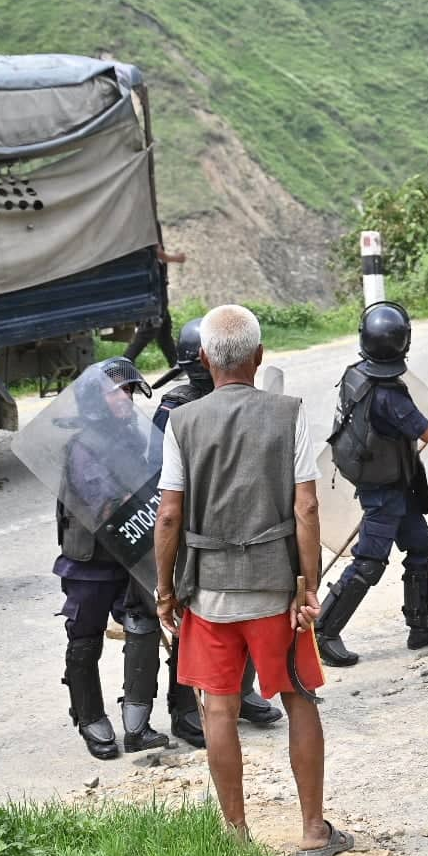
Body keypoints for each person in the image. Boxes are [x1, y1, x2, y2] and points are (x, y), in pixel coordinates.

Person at [153, 304, 349, 856]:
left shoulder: (182, 422)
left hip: (209, 596)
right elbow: (306, 505)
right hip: (275, 592)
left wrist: (165, 589)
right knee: (298, 697)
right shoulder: (288, 413)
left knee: (218, 710)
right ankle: (313, 829)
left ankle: (237, 837)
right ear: (259, 358)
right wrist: (308, 585)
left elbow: (169, 516)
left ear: (206, 359)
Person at [314, 302, 428, 668]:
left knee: (420, 544)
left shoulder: (356, 374)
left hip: (393, 484)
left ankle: (422, 623)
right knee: (369, 561)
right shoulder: (390, 395)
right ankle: (324, 631)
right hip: (384, 491)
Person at [151, 318, 282, 745]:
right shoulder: (175, 409)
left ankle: (241, 693)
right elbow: (166, 484)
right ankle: (185, 708)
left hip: (238, 525)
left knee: (240, 615)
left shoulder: (235, 398)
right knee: (193, 623)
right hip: (195, 528)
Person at [54, 356, 178, 760]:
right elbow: (103, 501)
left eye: (128, 391)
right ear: (95, 399)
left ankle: (137, 725)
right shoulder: (82, 446)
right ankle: (89, 716)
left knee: (143, 626)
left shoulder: (130, 437)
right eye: (116, 392)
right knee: (85, 637)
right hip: (91, 561)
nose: (126, 399)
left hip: (131, 553)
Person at [122, 245, 188, 365]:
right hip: (152, 285)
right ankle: (125, 362)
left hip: (153, 283)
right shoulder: (146, 229)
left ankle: (176, 365)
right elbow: (157, 253)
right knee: (149, 327)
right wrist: (177, 258)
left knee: (164, 328)